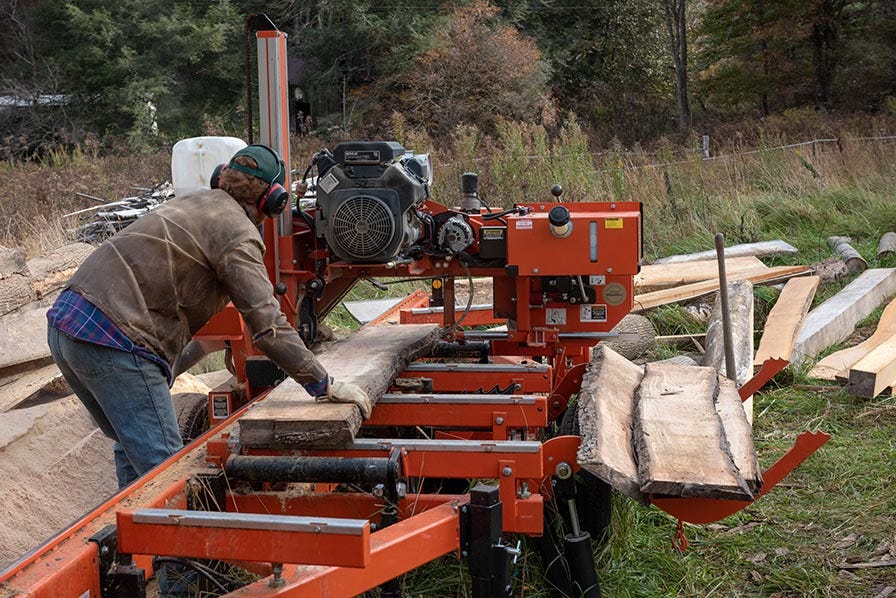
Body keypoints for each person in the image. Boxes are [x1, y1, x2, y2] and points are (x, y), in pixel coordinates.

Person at [47, 143, 371, 490]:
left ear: (222, 177)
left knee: (131, 449)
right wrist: (324, 384)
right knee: (166, 480)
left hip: (67, 325)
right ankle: (163, 541)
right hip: (116, 338)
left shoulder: (192, 201)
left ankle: (134, 538)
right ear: (272, 200)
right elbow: (269, 326)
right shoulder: (237, 234)